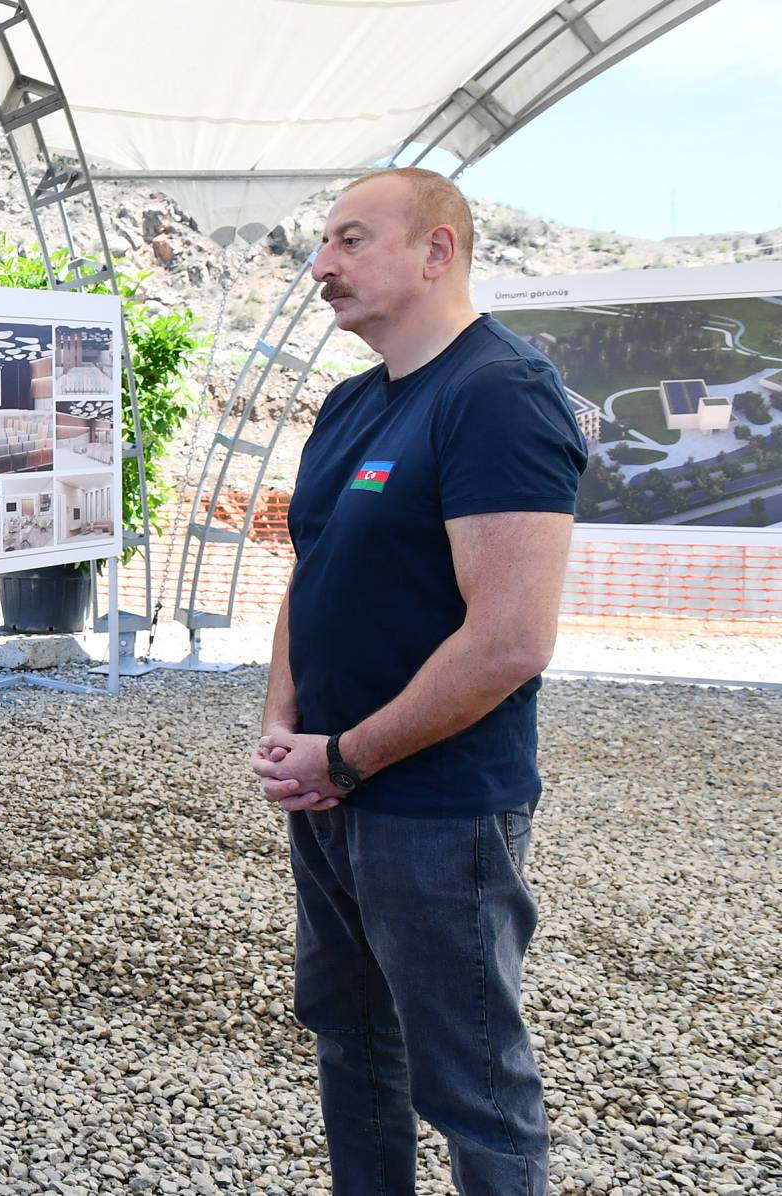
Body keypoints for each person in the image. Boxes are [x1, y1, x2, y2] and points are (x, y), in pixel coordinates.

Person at [250, 167, 585, 1195]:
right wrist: (281, 727)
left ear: (437, 251)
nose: (320, 266)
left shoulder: (497, 395)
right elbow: (310, 571)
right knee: (351, 1039)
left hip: (434, 809)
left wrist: (345, 757)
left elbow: (508, 640)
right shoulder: (351, 404)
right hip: (328, 790)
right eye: (322, 245)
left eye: (350, 240)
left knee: (470, 1083)